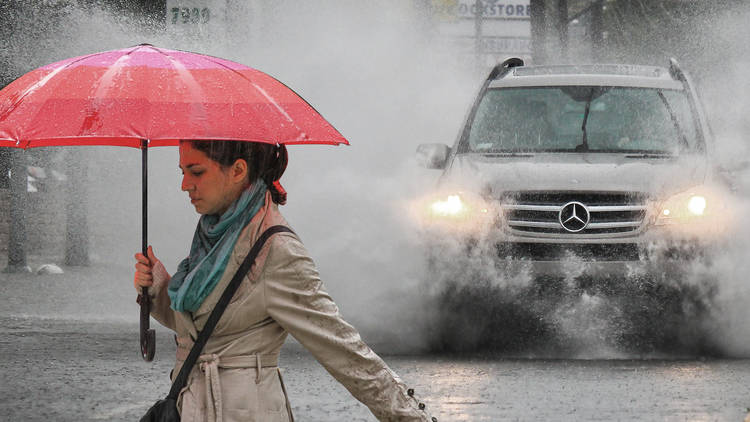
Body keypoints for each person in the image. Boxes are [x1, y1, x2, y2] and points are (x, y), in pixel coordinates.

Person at [134, 139, 436, 422]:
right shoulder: (212, 238)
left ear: (238, 170)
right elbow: (204, 328)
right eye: (183, 171)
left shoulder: (276, 250)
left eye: (196, 172)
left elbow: (343, 349)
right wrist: (159, 289)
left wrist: (410, 416)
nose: (185, 185)